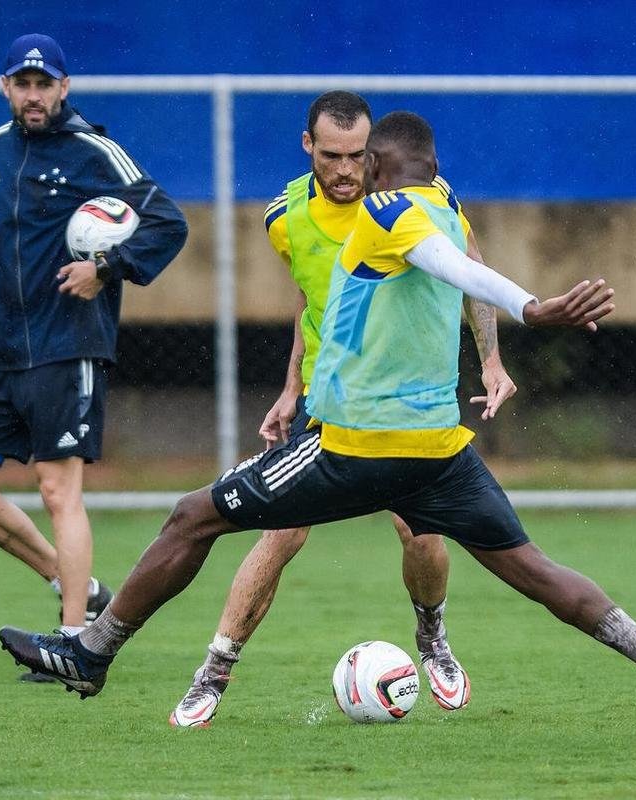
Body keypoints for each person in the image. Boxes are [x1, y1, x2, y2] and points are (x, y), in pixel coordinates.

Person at [0, 111, 636, 738]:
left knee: (193, 517)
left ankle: (92, 652)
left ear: (379, 165)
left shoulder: (388, 213)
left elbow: (451, 265)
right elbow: (445, 259)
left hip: (350, 447)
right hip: (441, 453)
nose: (351, 171)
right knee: (537, 571)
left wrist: (533, 308)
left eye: (362, 159)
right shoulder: (440, 202)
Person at [170, 91, 517, 727]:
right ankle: (213, 672)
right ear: (309, 147)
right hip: (330, 398)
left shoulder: (422, 197)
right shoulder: (284, 217)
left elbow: (471, 269)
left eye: (358, 155)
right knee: (282, 532)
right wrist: (290, 388)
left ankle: (432, 635)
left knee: (420, 532)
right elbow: (314, 302)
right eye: (332, 156)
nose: (346, 170)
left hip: (400, 401)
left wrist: (491, 361)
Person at [0, 34, 188, 665]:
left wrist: (106, 268)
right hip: (1, 351)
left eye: (44, 84)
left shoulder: (94, 151)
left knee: (58, 490)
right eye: (22, 84)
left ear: (64, 87)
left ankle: (72, 642)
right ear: (5, 88)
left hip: (69, 346)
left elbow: (168, 223)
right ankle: (76, 586)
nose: (33, 95)